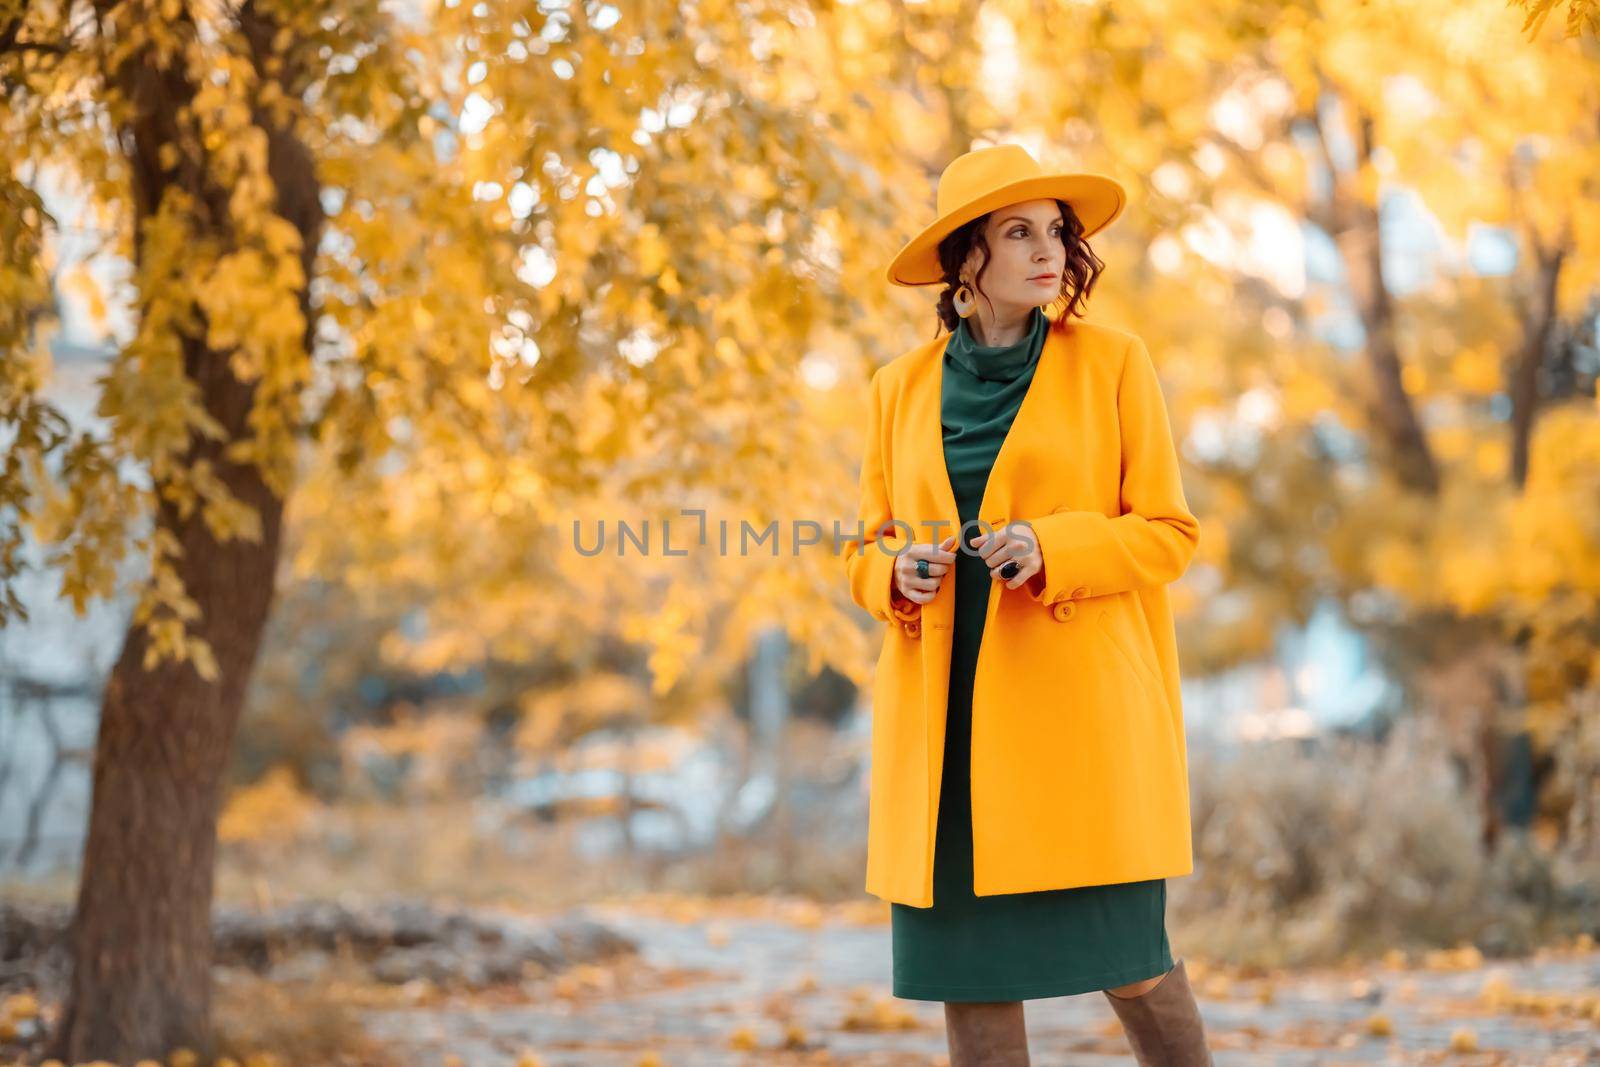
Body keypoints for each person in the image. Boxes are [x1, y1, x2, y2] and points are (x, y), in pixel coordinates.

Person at [847, 143, 1215, 1066]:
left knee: (1133, 962)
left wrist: (1057, 546)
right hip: (947, 735)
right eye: (1018, 232)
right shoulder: (898, 387)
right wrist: (895, 573)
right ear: (965, 257)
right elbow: (866, 540)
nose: (1047, 250)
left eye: (1055, 231)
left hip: (1079, 723)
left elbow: (1170, 532)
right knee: (971, 986)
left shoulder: (1115, 363)